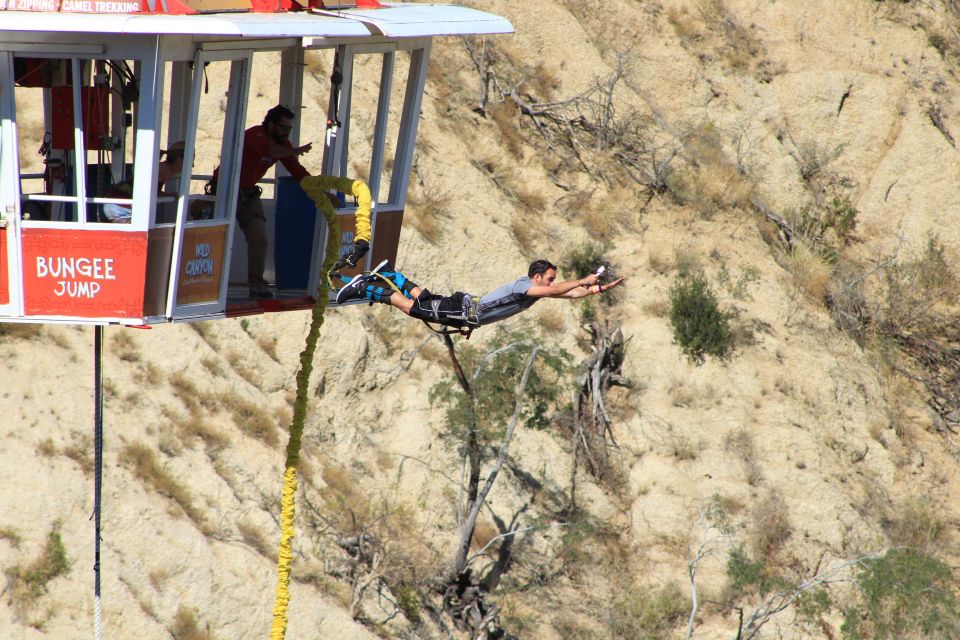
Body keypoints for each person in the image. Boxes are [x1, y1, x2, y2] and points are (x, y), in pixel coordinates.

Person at [335, 259, 625, 328]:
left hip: (465, 312)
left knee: (425, 300)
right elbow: (562, 290)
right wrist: (582, 279)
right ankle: (368, 287)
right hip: (464, 311)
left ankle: (390, 274)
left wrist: (596, 289)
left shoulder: (534, 292)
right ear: (537, 276)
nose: (553, 283)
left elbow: (570, 295)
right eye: (550, 279)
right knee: (412, 308)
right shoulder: (524, 286)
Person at [211, 105, 313, 298]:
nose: (286, 133)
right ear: (271, 125)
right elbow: (271, 151)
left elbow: (296, 170)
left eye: (290, 129)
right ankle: (207, 285)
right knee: (215, 237)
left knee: (259, 239)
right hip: (223, 191)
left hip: (248, 195)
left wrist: (319, 191)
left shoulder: (283, 145)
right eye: (283, 128)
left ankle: (256, 284)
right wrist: (296, 150)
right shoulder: (254, 135)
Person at [101, 141, 185, 223]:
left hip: (115, 204)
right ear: (178, 159)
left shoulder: (162, 168)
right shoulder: (164, 171)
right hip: (122, 206)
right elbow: (148, 193)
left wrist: (169, 195)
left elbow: (152, 191)